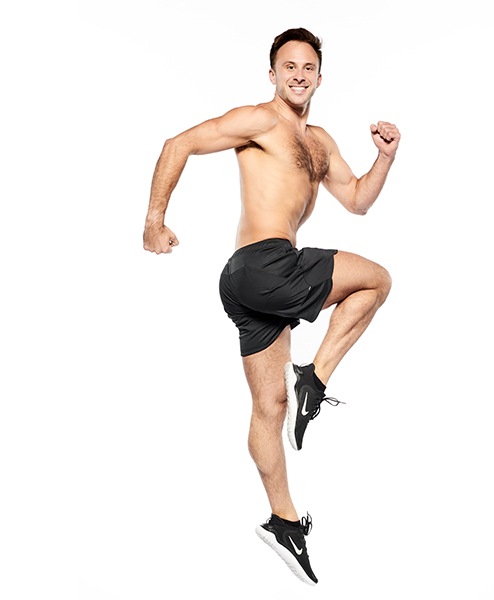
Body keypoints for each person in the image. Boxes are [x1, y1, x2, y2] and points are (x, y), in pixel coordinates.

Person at [142, 27, 399, 586]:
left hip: (247, 283)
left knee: (269, 407)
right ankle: (317, 375)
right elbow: (177, 144)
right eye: (289, 67)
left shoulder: (320, 143)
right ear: (273, 74)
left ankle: (283, 521)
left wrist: (384, 159)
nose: (299, 75)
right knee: (376, 281)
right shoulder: (260, 121)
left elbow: (355, 200)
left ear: (320, 77)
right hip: (262, 263)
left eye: (309, 67)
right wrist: (154, 222)